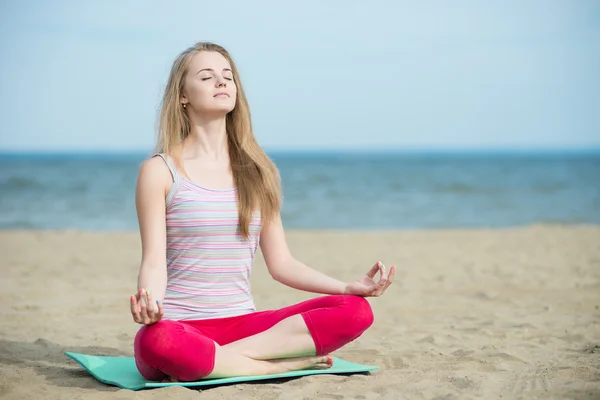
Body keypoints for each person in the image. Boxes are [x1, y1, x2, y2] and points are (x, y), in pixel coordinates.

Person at [130, 41, 396, 382]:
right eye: (207, 76)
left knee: (356, 311)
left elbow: (282, 264)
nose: (222, 82)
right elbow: (153, 261)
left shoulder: (257, 171)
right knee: (156, 341)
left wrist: (345, 287)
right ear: (183, 95)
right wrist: (149, 302)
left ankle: (226, 362)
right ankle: (278, 365)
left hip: (245, 327)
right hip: (183, 326)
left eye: (228, 76)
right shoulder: (159, 171)